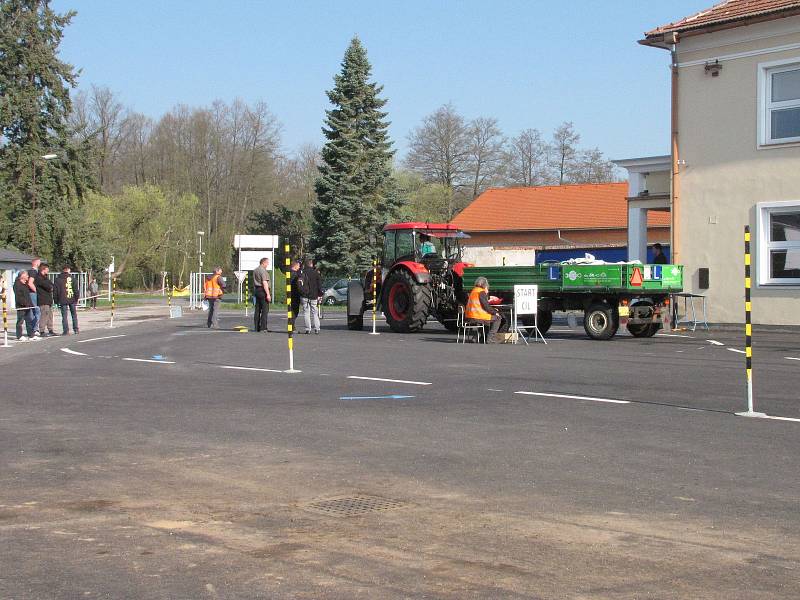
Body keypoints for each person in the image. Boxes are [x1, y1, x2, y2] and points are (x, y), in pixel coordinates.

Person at [465, 276, 504, 343]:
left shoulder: (474, 290)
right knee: (498, 318)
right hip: (477, 316)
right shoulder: (481, 292)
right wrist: (495, 312)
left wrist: (488, 296)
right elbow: (486, 307)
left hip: (469, 316)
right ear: (485, 285)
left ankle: (476, 337)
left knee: (486, 319)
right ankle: (490, 338)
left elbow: (481, 301)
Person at [298, 258, 322, 334]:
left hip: (304, 295)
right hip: (314, 295)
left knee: (306, 312)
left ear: (305, 264)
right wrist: (320, 294)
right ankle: (317, 328)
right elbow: (319, 285)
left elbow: (299, 283)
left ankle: (308, 329)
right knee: (315, 312)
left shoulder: (302, 273)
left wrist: (301, 292)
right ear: (312, 264)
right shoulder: (316, 273)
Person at [54, 265, 80, 335]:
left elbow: (55, 291)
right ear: (68, 270)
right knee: (74, 314)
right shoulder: (72, 278)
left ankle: (66, 330)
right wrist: (77, 298)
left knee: (64, 316)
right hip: (72, 299)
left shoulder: (58, 279)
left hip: (62, 299)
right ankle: (76, 329)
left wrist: (56, 300)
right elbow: (76, 290)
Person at [13, 271, 36, 341]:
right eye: (26, 275)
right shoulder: (17, 284)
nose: (28, 276)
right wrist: (24, 303)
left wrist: (31, 304)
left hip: (28, 306)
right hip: (21, 306)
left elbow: (28, 296)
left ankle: (31, 335)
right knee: (20, 321)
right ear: (22, 275)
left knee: (29, 320)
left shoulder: (25, 284)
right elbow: (18, 296)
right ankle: (19, 335)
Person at [35, 263, 56, 337]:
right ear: (43, 269)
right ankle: (42, 330)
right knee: (44, 315)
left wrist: (51, 287)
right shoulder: (38, 278)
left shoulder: (46, 277)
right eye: (47, 269)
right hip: (43, 299)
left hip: (48, 299)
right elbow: (47, 286)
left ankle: (50, 329)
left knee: (50, 315)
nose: (48, 270)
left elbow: (52, 285)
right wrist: (50, 287)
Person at [252, 257, 271, 332]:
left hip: (257, 290)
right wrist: (268, 294)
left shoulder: (255, 270)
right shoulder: (263, 271)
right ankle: (263, 327)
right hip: (263, 290)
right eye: (267, 263)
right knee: (265, 310)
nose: (268, 264)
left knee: (257, 310)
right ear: (264, 263)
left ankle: (256, 327)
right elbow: (264, 282)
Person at [26, 257, 41, 337]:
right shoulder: (33, 272)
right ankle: (35, 329)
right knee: (36, 311)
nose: (40, 264)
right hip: (32, 294)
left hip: (30, 294)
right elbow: (30, 283)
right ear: (36, 263)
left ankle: (33, 329)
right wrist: (36, 291)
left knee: (33, 311)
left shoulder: (30, 271)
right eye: (39, 262)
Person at [289, 259, 301, 328]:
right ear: (295, 266)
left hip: (291, 294)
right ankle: (292, 327)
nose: (299, 267)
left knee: (292, 311)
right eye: (298, 266)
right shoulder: (294, 274)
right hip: (294, 295)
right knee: (294, 311)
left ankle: (292, 326)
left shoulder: (289, 273)